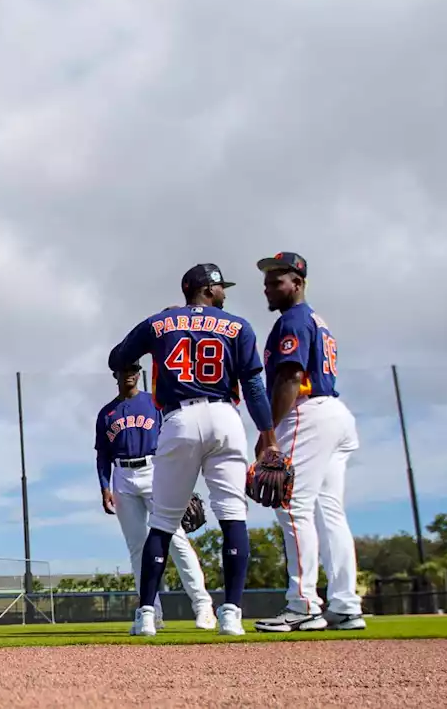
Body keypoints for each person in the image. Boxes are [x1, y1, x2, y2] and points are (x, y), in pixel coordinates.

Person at [107, 263, 277, 637]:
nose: (224, 294)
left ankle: (147, 616)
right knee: (233, 516)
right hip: (224, 418)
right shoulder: (237, 325)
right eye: (220, 288)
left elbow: (117, 359)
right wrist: (268, 434)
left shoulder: (160, 322)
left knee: (164, 523)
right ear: (205, 289)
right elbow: (252, 386)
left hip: (179, 421)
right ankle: (231, 614)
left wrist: (157, 331)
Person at [252, 252, 365, 632]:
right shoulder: (316, 319)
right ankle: (345, 605)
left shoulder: (295, 319)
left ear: (298, 283)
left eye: (277, 280)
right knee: (329, 512)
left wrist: (267, 433)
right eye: (267, 281)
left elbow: (289, 376)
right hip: (335, 414)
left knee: (292, 506)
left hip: (308, 411)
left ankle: (303, 605)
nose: (268, 287)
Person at [95, 364, 215, 631]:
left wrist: (180, 477)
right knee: (137, 549)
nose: (130, 373)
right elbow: (102, 455)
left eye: (134, 368)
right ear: (115, 374)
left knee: (176, 540)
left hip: (154, 470)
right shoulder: (107, 413)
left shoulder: (155, 403)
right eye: (124, 369)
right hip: (122, 476)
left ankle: (203, 606)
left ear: (139, 372)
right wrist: (105, 487)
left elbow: (176, 439)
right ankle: (151, 612)